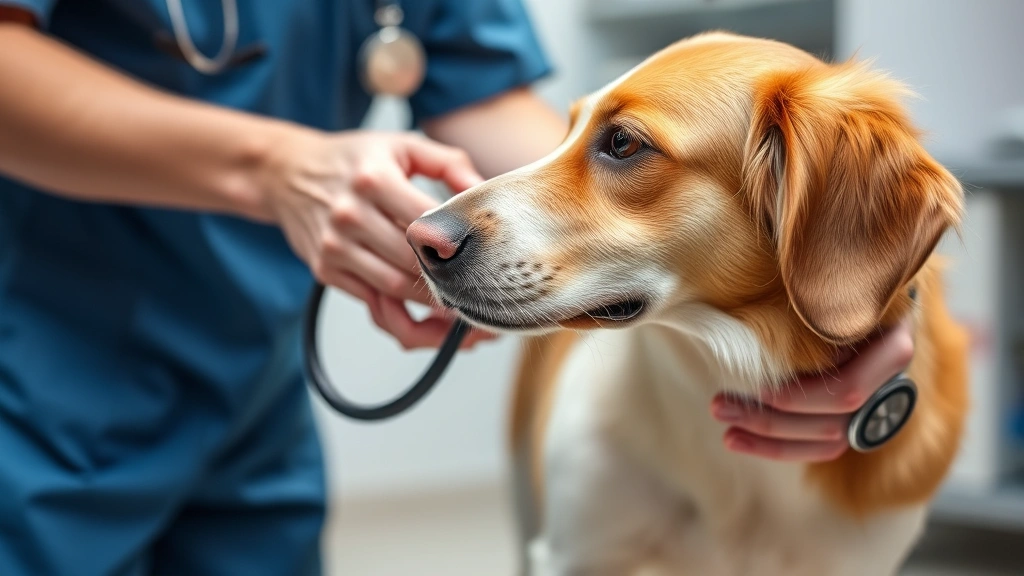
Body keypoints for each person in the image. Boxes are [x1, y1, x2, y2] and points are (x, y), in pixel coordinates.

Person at [0, 1, 917, 574]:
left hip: (253, 388)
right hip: (40, 379)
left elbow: (486, 100)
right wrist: (275, 164)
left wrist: (856, 281)